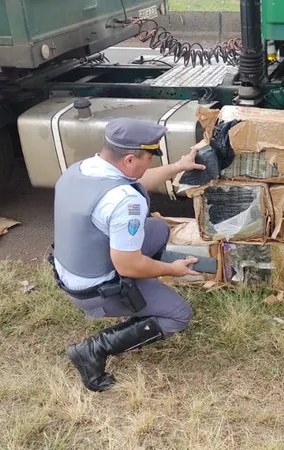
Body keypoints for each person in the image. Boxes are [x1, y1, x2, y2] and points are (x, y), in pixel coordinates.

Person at [49, 117, 207, 392]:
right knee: (178, 314)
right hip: (95, 290)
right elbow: (128, 265)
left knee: (156, 229)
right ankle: (92, 350)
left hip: (74, 269)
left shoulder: (82, 169)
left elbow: (139, 181)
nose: (151, 163)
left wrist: (180, 166)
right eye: (149, 157)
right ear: (130, 160)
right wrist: (174, 270)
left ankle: (143, 297)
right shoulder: (125, 202)